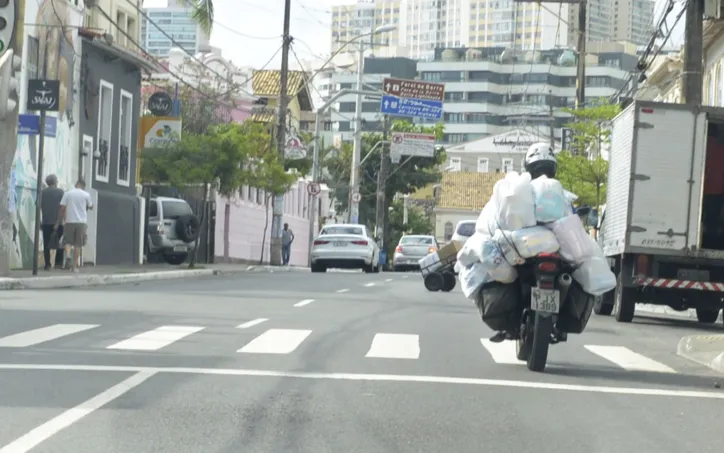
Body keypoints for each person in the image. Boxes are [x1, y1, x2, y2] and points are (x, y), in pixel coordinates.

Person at [55, 179, 93, 272]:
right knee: (78, 244)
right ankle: (74, 267)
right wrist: (87, 206)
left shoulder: (68, 193)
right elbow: (91, 206)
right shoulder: (86, 195)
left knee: (67, 241)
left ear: (76, 184)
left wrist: (59, 221)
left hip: (69, 221)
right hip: (81, 222)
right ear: (83, 186)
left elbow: (62, 207)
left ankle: (68, 256)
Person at [41, 174, 64, 270]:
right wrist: (58, 222)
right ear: (55, 182)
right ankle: (58, 263)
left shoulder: (42, 192)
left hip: (46, 222)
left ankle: (47, 264)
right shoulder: (60, 192)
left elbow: (39, 206)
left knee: (46, 244)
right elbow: (62, 208)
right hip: (57, 222)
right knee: (59, 242)